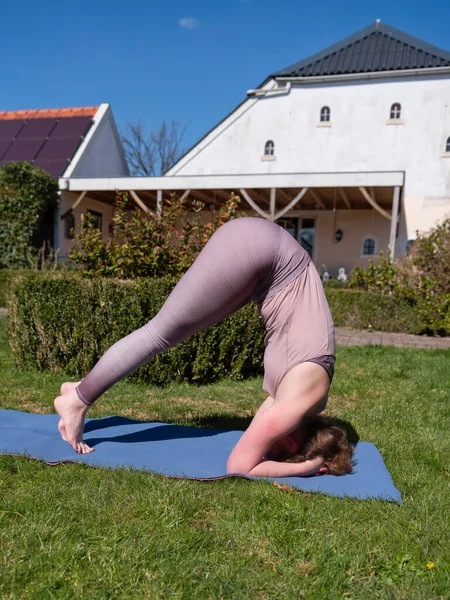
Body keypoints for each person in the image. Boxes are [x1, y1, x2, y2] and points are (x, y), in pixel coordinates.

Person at [55, 217, 354, 477]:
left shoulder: (304, 399)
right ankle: (77, 400)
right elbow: (241, 465)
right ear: (290, 443)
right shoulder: (289, 409)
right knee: (160, 333)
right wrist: (305, 467)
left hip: (266, 258)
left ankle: (78, 389)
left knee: (172, 331)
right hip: (260, 250)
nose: (266, 449)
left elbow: (252, 443)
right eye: (274, 451)